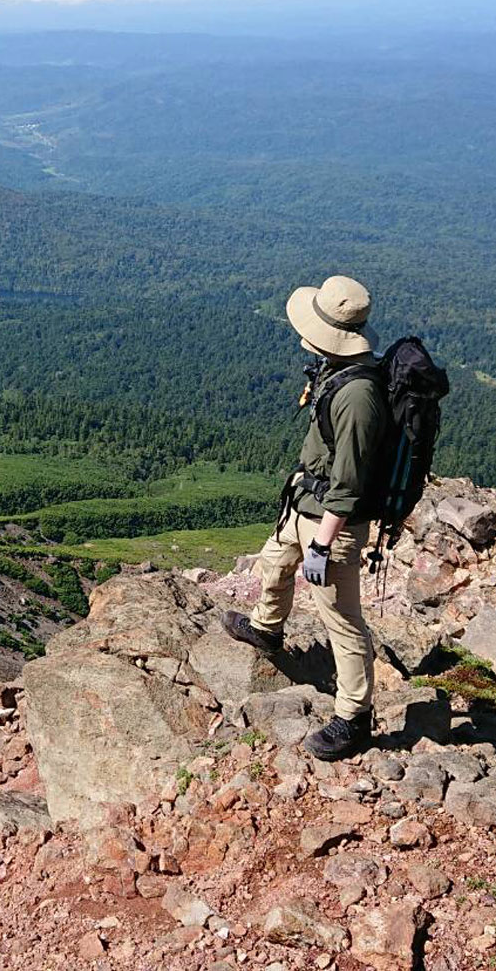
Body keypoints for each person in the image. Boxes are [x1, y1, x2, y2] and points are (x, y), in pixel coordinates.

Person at [222, 274, 386, 761]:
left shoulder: (359, 397)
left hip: (330, 523)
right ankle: (267, 629)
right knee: (274, 562)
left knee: (341, 618)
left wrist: (322, 544)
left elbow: (351, 483)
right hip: (304, 505)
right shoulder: (335, 372)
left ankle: (354, 718)